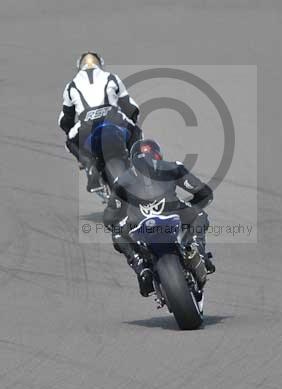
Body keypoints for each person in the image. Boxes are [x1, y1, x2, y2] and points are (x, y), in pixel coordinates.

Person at [103, 139, 215, 297]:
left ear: (132, 159)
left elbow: (109, 218)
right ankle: (199, 251)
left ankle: (141, 267)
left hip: (140, 222)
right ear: (158, 155)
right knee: (199, 214)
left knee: (116, 232)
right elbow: (205, 194)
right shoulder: (173, 167)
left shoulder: (121, 181)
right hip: (173, 213)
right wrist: (190, 206)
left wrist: (123, 218)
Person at [59, 52, 141, 192]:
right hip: (114, 120)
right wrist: (131, 121)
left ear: (79, 66)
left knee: (69, 142)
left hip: (87, 126)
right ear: (100, 64)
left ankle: (89, 165)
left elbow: (65, 119)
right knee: (137, 131)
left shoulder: (71, 86)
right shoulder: (111, 77)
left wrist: (69, 130)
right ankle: (140, 162)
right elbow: (131, 107)